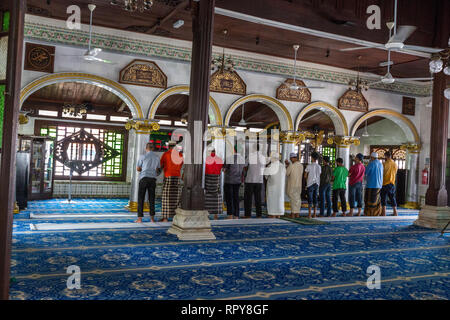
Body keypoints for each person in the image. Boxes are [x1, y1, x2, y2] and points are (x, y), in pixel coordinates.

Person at [135, 143, 161, 223]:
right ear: (153, 148)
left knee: (141, 198)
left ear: (146, 148)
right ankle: (152, 219)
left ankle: (139, 219)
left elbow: (138, 168)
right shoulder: (157, 157)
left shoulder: (143, 156)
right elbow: (158, 169)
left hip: (144, 178)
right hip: (152, 179)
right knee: (152, 199)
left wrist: (143, 170)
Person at [160, 140, 183, 222]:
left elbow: (161, 165)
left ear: (168, 146)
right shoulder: (180, 154)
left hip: (168, 176)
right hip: (177, 177)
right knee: (176, 198)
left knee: (166, 197)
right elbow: (181, 165)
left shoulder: (166, 154)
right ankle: (175, 217)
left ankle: (165, 218)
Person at [244, 144, 267, 218]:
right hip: (259, 180)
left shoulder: (250, 156)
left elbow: (244, 165)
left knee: (248, 198)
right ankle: (259, 215)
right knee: (258, 198)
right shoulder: (263, 157)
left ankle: (248, 215)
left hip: (250, 179)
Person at [224, 146, 245, 219]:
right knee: (236, 198)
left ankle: (230, 214)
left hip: (229, 181)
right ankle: (236, 215)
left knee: (229, 198)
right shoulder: (242, 159)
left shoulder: (230, 158)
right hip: (238, 181)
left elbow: (224, 169)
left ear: (234, 150)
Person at [204, 148, 224, 220]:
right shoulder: (219, 159)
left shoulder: (206, 159)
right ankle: (216, 215)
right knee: (216, 196)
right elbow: (221, 168)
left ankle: (207, 214)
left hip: (208, 179)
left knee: (207, 197)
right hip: (216, 179)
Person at [364, 152, 384, 216]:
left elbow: (366, 172)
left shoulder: (371, 164)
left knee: (370, 200)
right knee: (377, 200)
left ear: (372, 157)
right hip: (379, 185)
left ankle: (369, 213)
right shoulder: (381, 164)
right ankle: (377, 213)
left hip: (371, 185)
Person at [285, 152, 304, 218]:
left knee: (293, 200)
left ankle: (293, 213)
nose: (290, 160)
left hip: (292, 185)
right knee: (298, 199)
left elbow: (287, 173)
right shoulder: (301, 165)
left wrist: (287, 165)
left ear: (293, 158)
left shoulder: (292, 165)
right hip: (299, 185)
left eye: (291, 159)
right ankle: (297, 213)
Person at [381, 151, 399, 216]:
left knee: (383, 198)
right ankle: (395, 212)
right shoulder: (395, 164)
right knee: (392, 198)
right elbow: (395, 173)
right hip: (392, 183)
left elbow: (382, 173)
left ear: (386, 156)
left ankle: (383, 213)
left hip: (385, 182)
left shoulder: (384, 164)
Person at [304, 151, 321, 218]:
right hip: (316, 183)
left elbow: (305, 176)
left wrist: (307, 180)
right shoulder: (319, 166)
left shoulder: (309, 166)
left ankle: (309, 214)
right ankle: (314, 214)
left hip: (310, 183)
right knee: (315, 198)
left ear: (312, 158)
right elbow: (319, 174)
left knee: (310, 199)